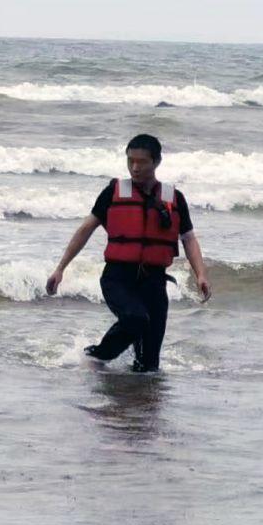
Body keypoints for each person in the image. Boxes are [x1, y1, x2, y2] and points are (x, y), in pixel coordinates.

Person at [46, 133, 211, 372]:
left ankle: (134, 399)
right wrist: (60, 269)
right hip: (118, 278)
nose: (135, 167)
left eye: (142, 162)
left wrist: (201, 275)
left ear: (156, 162)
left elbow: (189, 239)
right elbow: (85, 229)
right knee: (135, 318)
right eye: (130, 161)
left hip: (154, 281)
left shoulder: (173, 198)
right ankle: (96, 357)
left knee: (149, 365)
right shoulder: (113, 192)